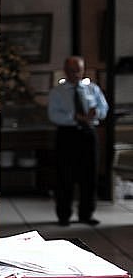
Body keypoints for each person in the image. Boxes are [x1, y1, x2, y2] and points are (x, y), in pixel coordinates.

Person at [47, 56, 109, 226]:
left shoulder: (92, 89)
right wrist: (75, 117)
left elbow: (103, 109)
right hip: (67, 135)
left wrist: (95, 114)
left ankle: (86, 214)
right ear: (65, 71)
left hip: (88, 134)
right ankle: (64, 215)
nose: (75, 74)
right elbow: (53, 115)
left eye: (78, 70)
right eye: (72, 71)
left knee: (89, 175)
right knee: (65, 176)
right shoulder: (57, 92)